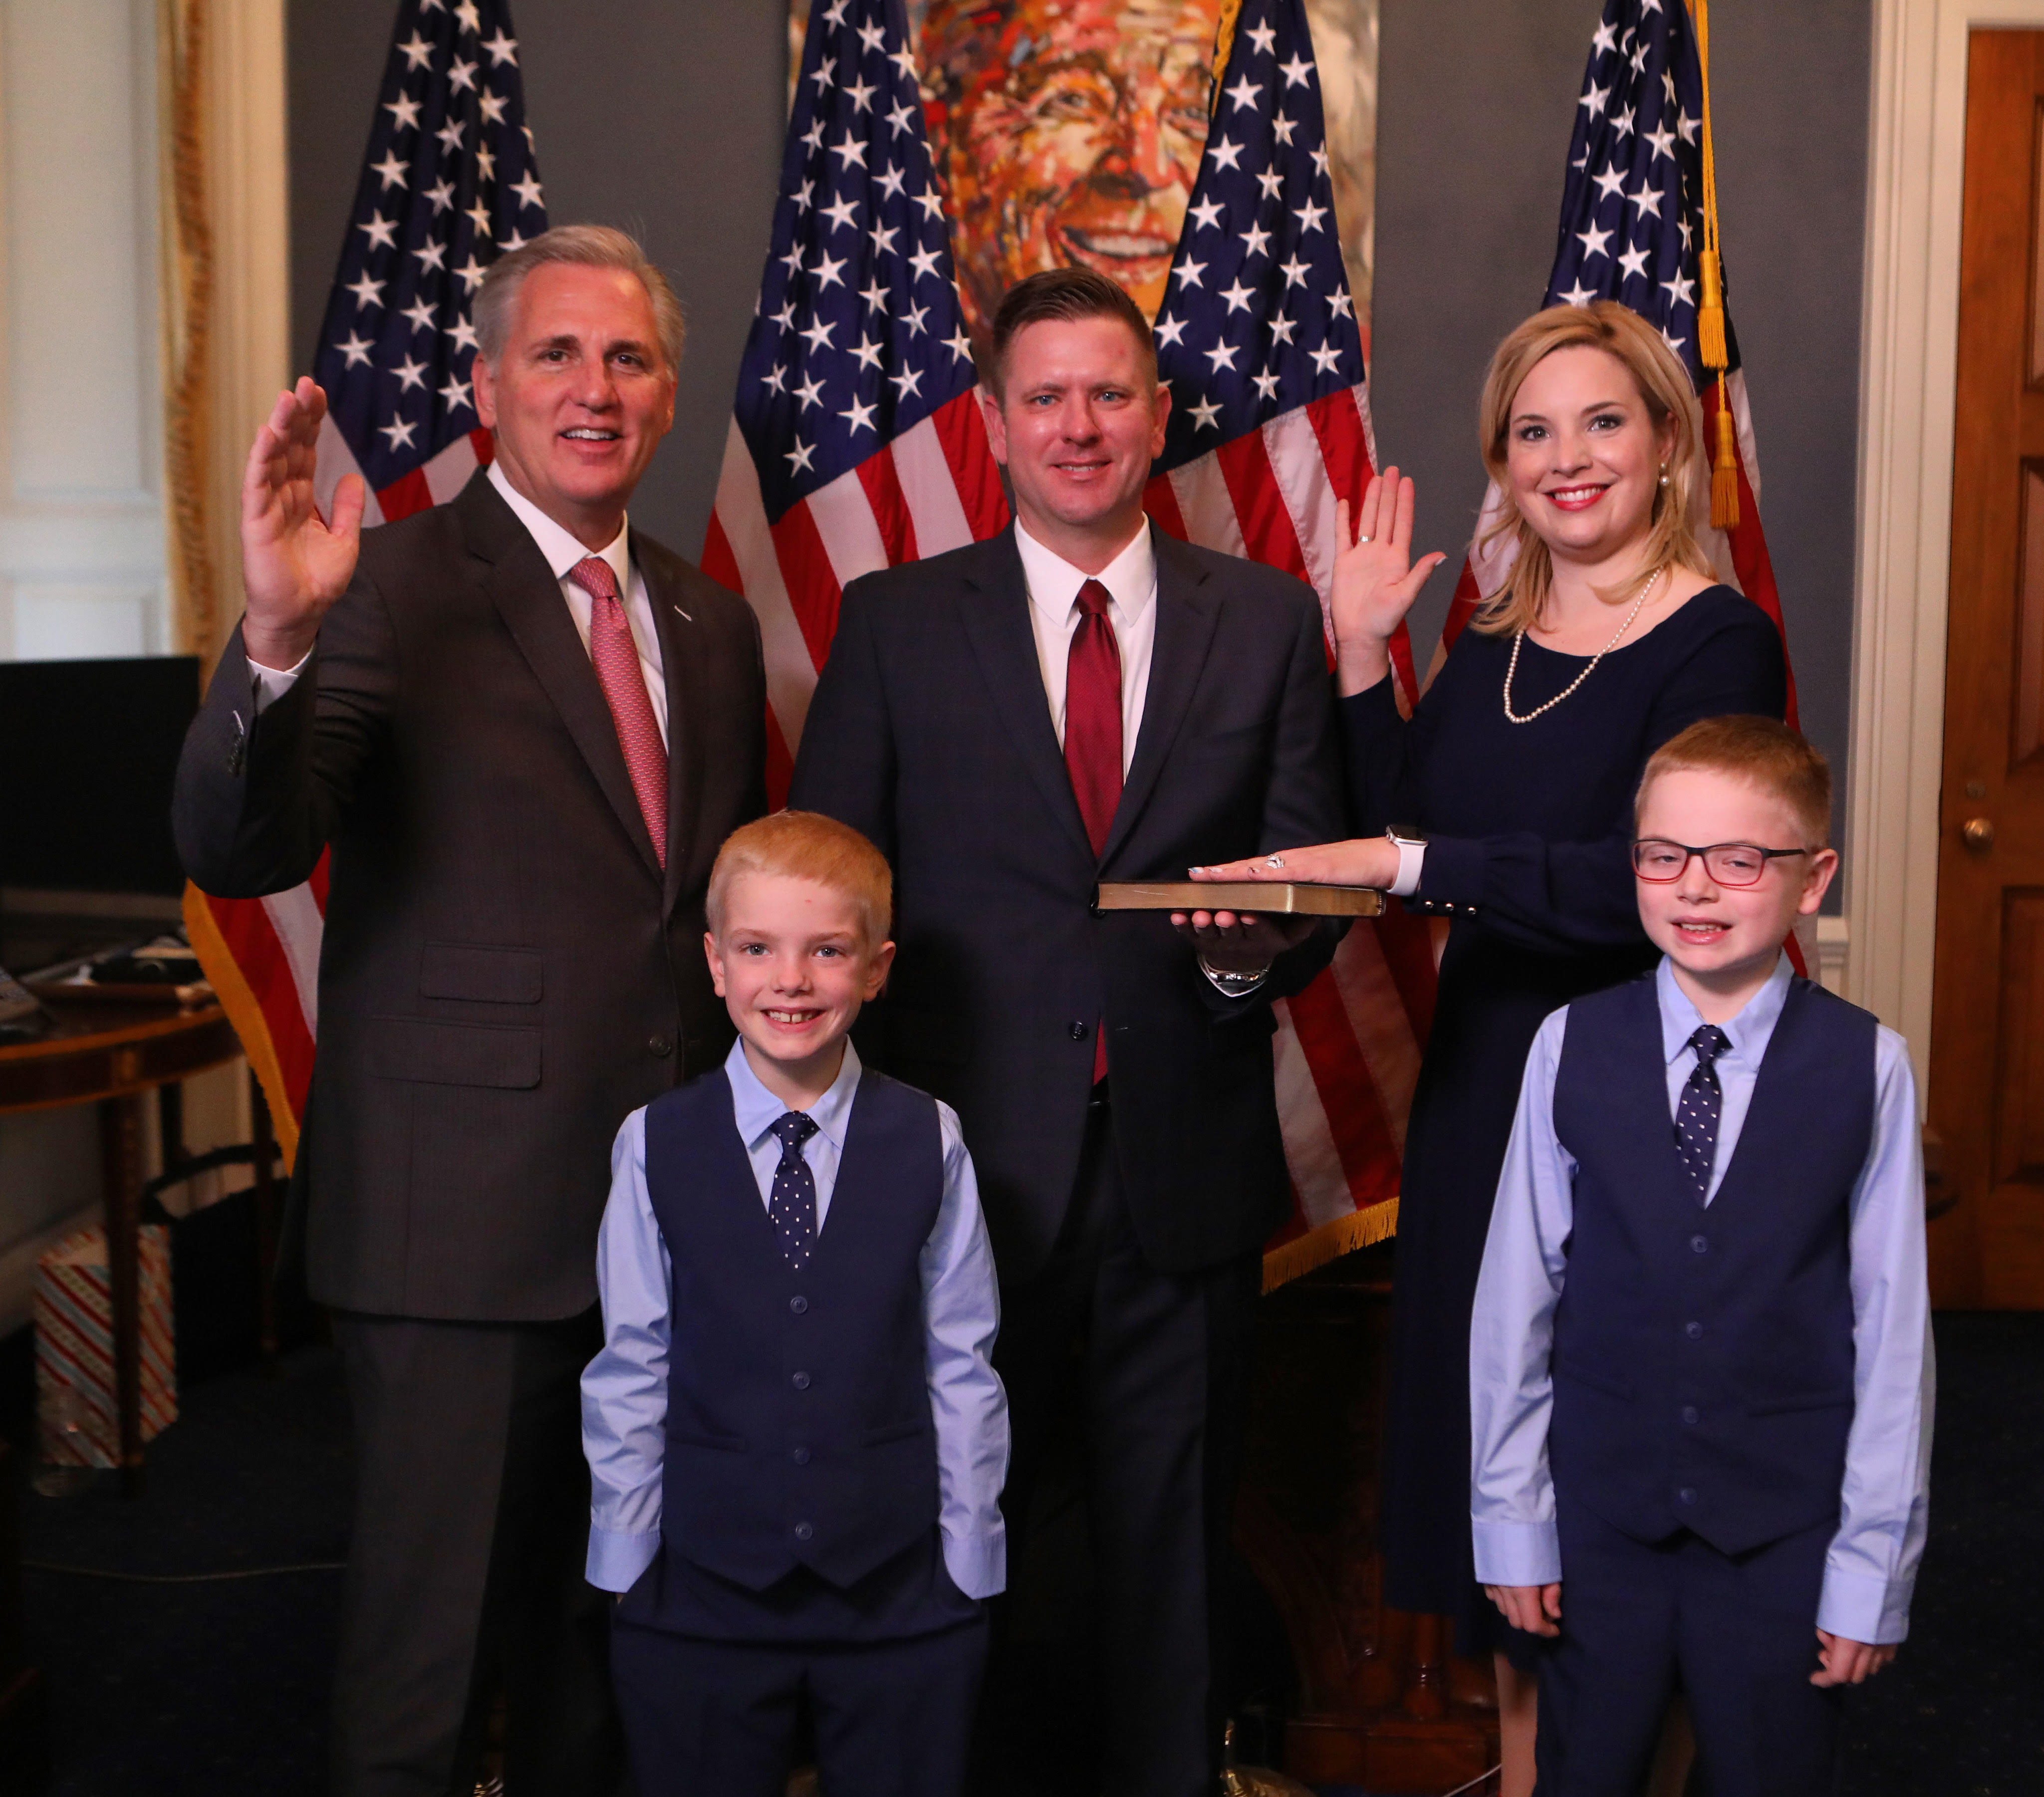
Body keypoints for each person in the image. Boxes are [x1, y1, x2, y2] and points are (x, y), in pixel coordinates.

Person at [172, 225, 766, 1797]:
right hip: (455, 1236)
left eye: (627, 357)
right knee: (424, 1676)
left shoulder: (710, 626)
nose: (595, 387)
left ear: (666, 388)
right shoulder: (381, 581)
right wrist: (281, 636)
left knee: (602, 1653)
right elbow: (240, 847)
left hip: (660, 1234)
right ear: (487, 384)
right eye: (556, 355)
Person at [1191, 300, 1788, 1788]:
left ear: (1666, 446)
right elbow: (1405, 821)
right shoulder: (1499, 642)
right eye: (1534, 432)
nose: (1567, 458)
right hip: (1486, 1097)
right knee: (1510, 1498)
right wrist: (1357, 651)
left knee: (1621, 1498)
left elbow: (1653, 884)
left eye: (1602, 423)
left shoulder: (1721, 643)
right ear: (1503, 466)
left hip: (1638, 1112)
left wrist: (1409, 863)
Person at [788, 264, 1344, 1795]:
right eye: (1046, 397)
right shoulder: (897, 622)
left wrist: (1245, 967)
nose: (1081, 425)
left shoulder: (1269, 620)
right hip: (960, 1167)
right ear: (995, 424)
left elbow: (1307, 878)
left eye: (1111, 393)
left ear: (1160, 415)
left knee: (1171, 1542)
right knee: (961, 1523)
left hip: (1182, 1168)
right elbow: (829, 885)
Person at [1470, 716, 1933, 1796]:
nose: (1694, 888)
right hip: (1600, 1523)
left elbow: (1894, 1342)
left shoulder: (1867, 1066)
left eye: (1738, 859)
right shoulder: (1566, 1044)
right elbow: (1514, 1304)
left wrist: (1871, 1571)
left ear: (1810, 879)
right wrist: (1512, 1523)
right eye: (1663, 855)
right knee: (1584, 1771)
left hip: (1779, 1535)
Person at [580, 809, 1007, 1797]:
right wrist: (628, 1561)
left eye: (827, 950)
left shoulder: (930, 1137)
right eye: (758, 948)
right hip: (698, 1585)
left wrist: (968, 1558)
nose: (792, 979)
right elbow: (631, 1358)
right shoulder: (653, 1139)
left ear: (876, 966)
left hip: (899, 1589)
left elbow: (961, 1361)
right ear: (715, 963)